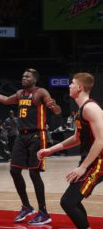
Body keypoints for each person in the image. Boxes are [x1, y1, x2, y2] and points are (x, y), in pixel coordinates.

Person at [0, 68, 61, 225]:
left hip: (37, 135)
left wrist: (54, 107)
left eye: (27, 76)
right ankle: (26, 206)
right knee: (14, 170)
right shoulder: (20, 94)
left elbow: (57, 111)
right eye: (23, 75)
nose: (24, 78)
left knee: (34, 174)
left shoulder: (40, 92)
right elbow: (5, 100)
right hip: (21, 136)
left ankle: (43, 212)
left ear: (34, 79)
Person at [37, 72, 103, 229]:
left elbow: (101, 140)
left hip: (99, 162)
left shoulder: (91, 108)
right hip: (92, 160)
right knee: (72, 201)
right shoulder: (81, 109)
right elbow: (76, 138)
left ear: (79, 87)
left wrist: (83, 167)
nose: (69, 85)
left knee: (68, 201)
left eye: (72, 83)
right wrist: (50, 150)